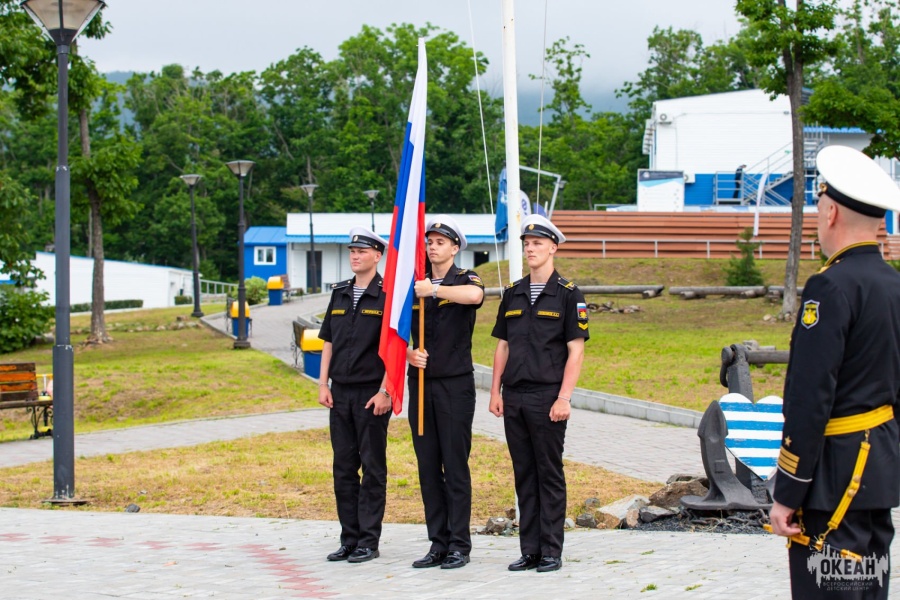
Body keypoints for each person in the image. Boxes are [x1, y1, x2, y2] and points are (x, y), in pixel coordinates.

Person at [768, 145, 900, 599]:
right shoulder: (894, 285)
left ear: (830, 213)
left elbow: (809, 397)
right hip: (877, 474)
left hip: (831, 482)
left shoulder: (830, 285)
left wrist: (788, 491)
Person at [489, 213, 589, 573]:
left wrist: (564, 397)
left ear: (553, 248)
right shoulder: (513, 293)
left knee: (548, 473)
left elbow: (576, 351)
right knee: (524, 473)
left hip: (547, 398)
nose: (530, 249)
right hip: (514, 396)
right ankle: (529, 549)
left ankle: (551, 550)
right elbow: (502, 346)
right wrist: (495, 390)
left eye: (538, 243)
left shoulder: (568, 295)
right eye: (527, 244)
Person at [406, 215, 485, 570]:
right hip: (421, 383)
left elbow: (475, 296)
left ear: (454, 248)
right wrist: (409, 354)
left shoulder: (464, 278)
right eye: (429, 241)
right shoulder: (413, 283)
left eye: (440, 242)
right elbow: (395, 331)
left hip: (455, 385)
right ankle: (437, 543)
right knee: (427, 466)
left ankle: (459, 545)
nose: (432, 247)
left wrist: (434, 290)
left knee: (454, 466)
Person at [318, 227, 393, 564]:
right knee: (343, 468)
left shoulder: (386, 295)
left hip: (371, 393)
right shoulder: (340, 293)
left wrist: (385, 390)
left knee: (372, 468)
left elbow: (395, 347)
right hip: (340, 392)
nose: (355, 256)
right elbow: (328, 341)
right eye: (352, 251)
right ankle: (349, 538)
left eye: (362, 251)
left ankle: (368, 540)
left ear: (377, 256)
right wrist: (323, 383)